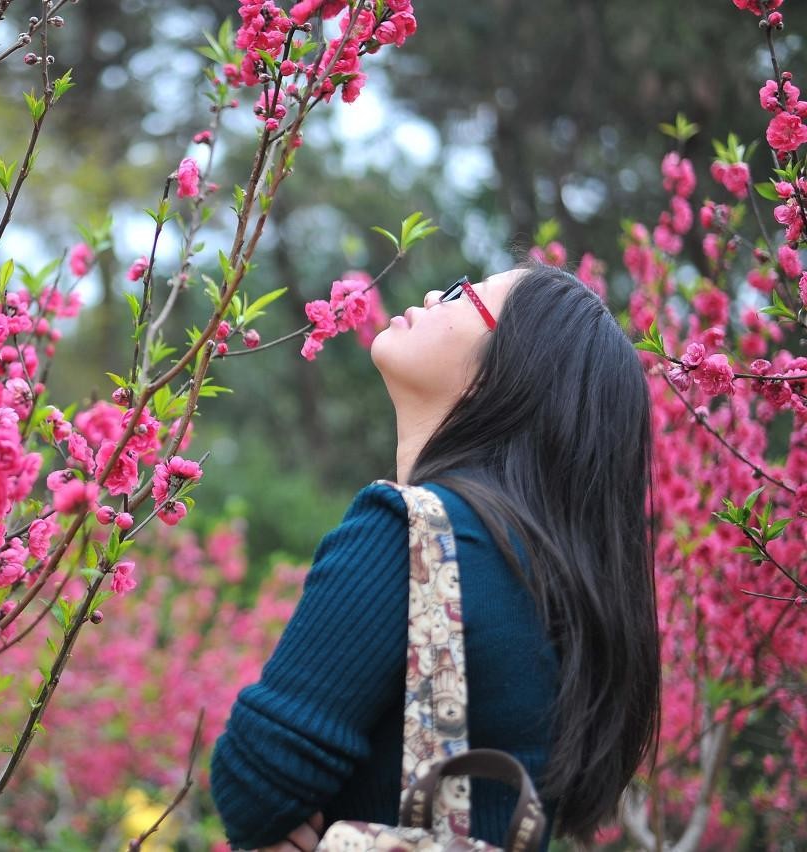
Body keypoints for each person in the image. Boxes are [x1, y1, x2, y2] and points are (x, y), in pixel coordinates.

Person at [209, 263, 662, 851]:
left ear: (509, 370)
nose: (431, 294)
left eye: (461, 293)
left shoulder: (403, 533)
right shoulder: (560, 587)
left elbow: (253, 782)